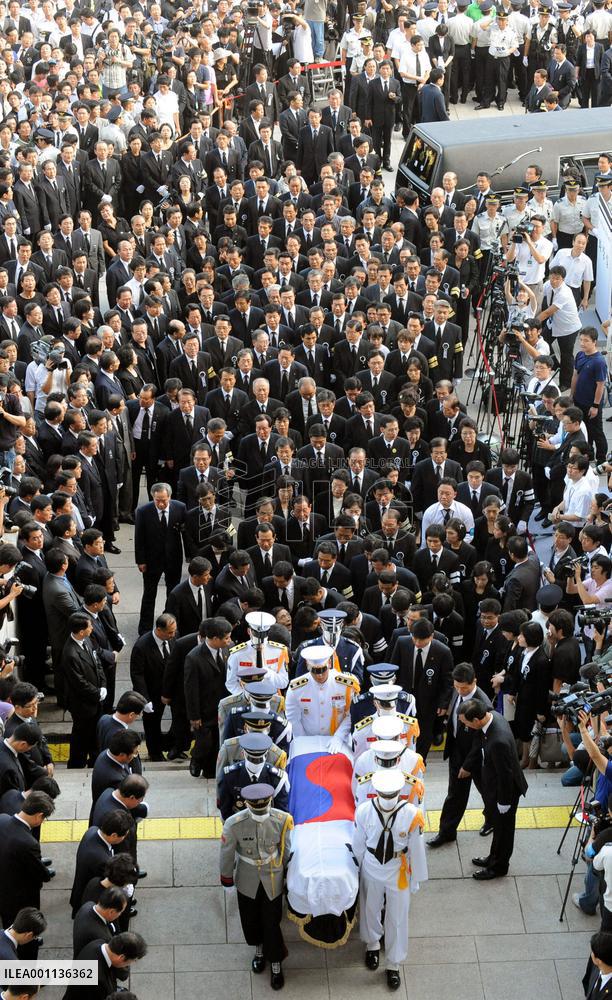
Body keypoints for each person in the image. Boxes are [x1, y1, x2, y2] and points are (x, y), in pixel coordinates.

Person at [352, 768, 427, 990]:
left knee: (397, 916)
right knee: (370, 909)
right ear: (375, 791)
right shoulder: (364, 811)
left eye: (391, 794)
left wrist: (416, 879)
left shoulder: (412, 814)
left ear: (399, 792)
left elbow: (416, 849)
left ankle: (393, 963)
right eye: (384, 795)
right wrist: (357, 867)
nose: (387, 799)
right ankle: (372, 945)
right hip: (373, 865)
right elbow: (358, 843)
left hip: (398, 869)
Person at [220, 782, 293, 990]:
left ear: (270, 801)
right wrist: (227, 879)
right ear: (247, 804)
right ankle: (259, 949)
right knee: (250, 919)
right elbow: (226, 853)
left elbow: (285, 850)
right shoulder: (234, 823)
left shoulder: (282, 820)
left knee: (272, 922)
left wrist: (288, 875)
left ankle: (276, 961)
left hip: (272, 877)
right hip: (247, 877)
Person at [459, 701, 528, 879]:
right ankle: (493, 857)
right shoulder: (492, 718)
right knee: (498, 827)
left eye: (466, 723)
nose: (465, 726)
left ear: (476, 720)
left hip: (505, 791)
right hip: (494, 784)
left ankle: (499, 866)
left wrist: (503, 802)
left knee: (504, 830)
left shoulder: (498, 741)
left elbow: (505, 775)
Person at [428, 663, 493, 847]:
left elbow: (481, 739)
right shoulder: (457, 690)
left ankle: (491, 820)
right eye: (457, 687)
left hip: (478, 757)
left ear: (475, 682)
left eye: (465, 688)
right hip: (457, 749)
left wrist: (468, 765)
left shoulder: (484, 706)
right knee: (455, 794)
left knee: (487, 791)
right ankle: (446, 832)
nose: (461, 691)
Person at [134, 482, 186, 636]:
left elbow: (186, 533)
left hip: (173, 559)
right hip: (151, 560)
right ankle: (144, 628)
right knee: (149, 595)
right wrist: (140, 561)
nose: (161, 503)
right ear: (153, 497)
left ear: (170, 497)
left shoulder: (180, 508)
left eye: (164, 500)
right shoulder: (143, 511)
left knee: (173, 594)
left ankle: (169, 625)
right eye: (157, 500)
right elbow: (139, 538)